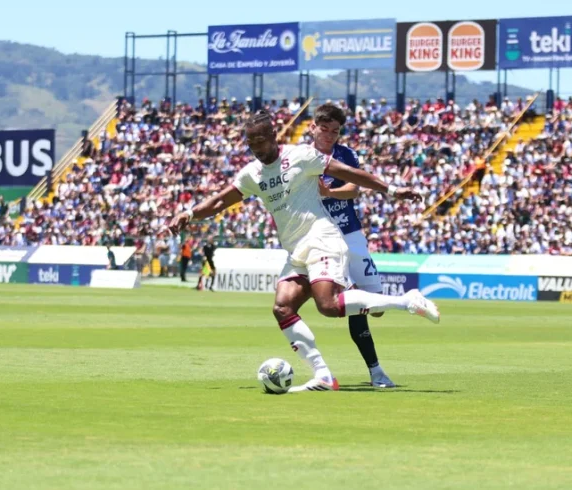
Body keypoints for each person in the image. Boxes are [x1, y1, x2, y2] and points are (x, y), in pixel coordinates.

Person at [169, 110, 440, 393]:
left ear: (274, 136)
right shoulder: (252, 174)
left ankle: (406, 301)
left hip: (322, 239)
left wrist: (392, 190)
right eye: (251, 144)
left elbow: (349, 174)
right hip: (296, 251)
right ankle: (323, 375)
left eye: (261, 141)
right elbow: (219, 202)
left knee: (328, 305)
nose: (257, 149)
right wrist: (189, 213)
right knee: (282, 307)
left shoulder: (301, 156)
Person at [309, 103, 395, 388]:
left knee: (378, 305)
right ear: (313, 127)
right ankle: (376, 372)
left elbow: (355, 188)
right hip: (325, 240)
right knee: (356, 301)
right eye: (325, 129)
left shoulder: (346, 155)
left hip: (352, 234)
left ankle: (376, 368)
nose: (330, 135)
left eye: (335, 131)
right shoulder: (300, 157)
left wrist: (329, 192)